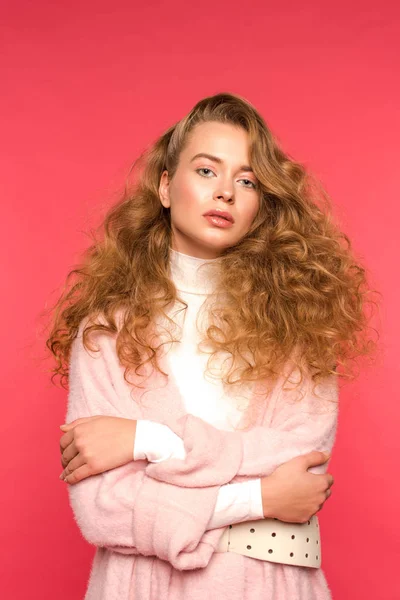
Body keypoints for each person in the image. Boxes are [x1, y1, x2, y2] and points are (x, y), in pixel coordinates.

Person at [46, 92, 376, 599]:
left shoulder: (299, 327)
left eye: (246, 181)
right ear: (165, 186)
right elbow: (103, 511)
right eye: (206, 171)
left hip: (270, 586)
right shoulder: (107, 333)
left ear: (260, 204)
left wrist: (145, 442)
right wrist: (259, 497)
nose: (225, 192)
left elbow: (298, 465)